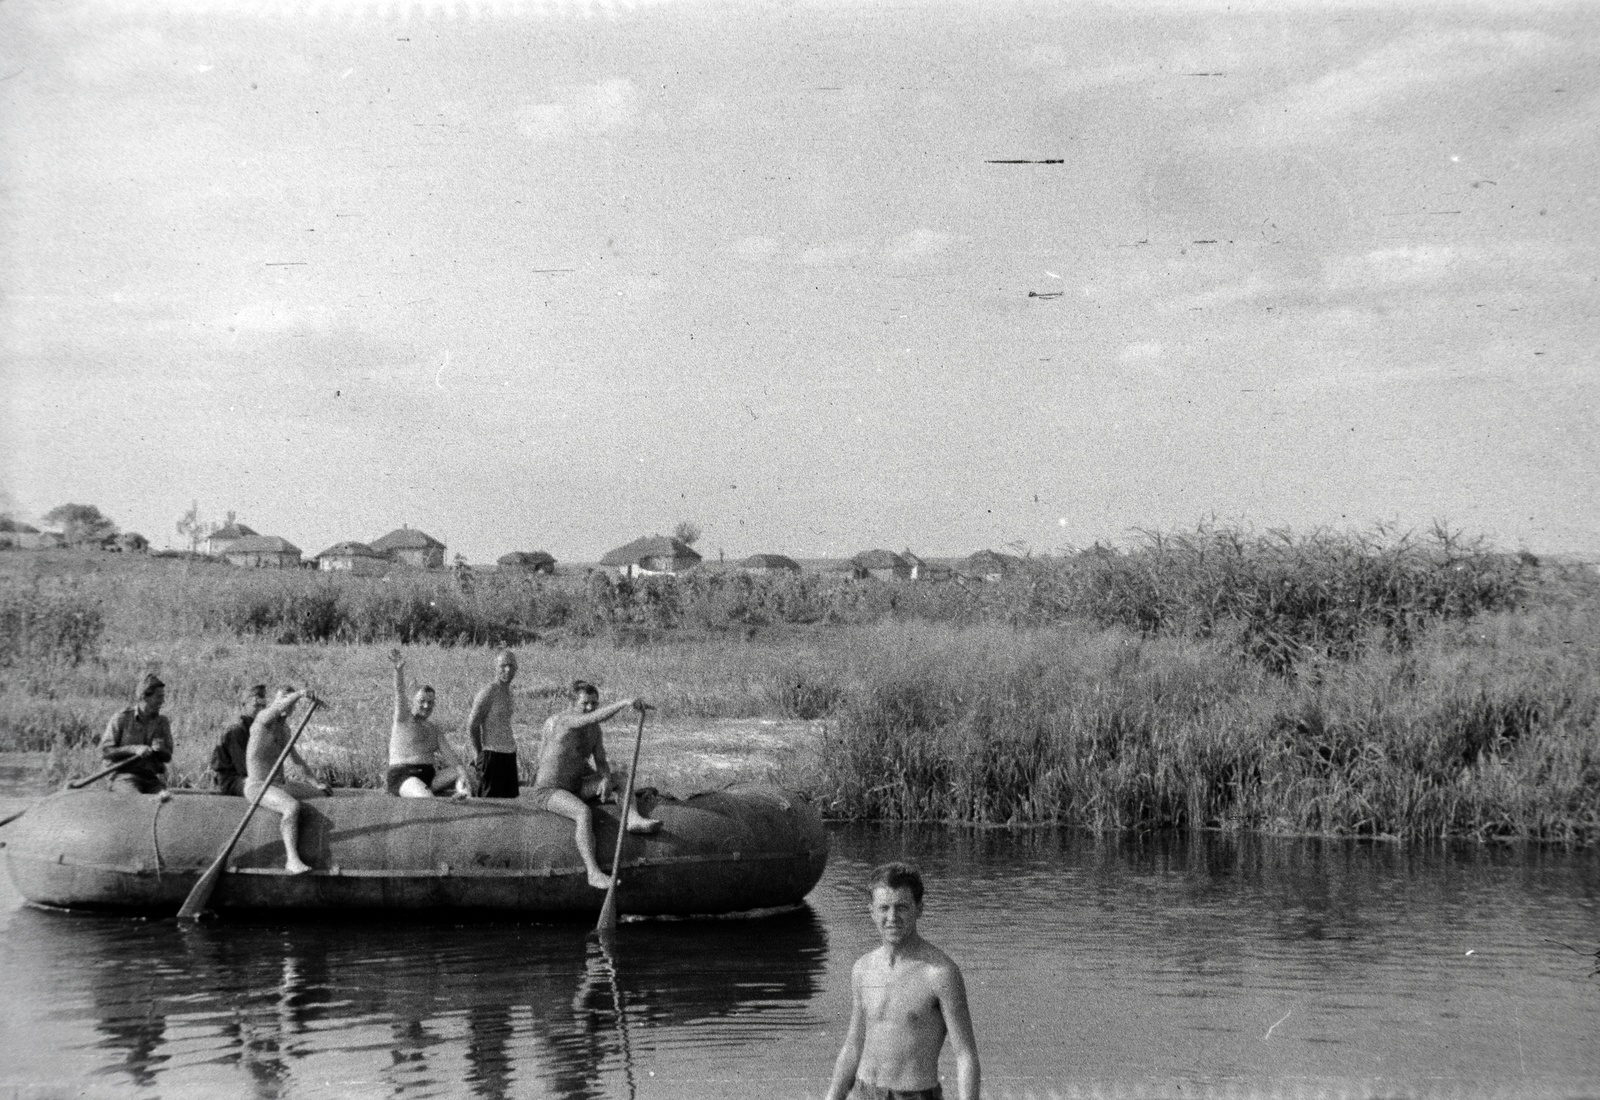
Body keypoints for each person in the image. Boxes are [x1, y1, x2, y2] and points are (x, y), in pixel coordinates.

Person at [825, 863, 980, 1100]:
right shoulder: (863, 969)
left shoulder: (940, 973)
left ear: (919, 909)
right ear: (871, 911)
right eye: (884, 908)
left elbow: (965, 1055)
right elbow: (853, 1047)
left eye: (902, 907)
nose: (892, 917)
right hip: (864, 1093)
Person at [530, 680, 661, 890]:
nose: (590, 708)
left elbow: (601, 760)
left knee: (621, 777)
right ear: (573, 704)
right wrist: (625, 703)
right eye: (585, 703)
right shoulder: (566, 720)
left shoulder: (594, 730)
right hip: (550, 790)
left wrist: (607, 778)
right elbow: (593, 717)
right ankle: (593, 872)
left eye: (594, 703)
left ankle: (633, 818)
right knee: (583, 813)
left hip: (576, 786)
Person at [246, 686, 331, 874]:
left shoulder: (284, 729)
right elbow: (278, 708)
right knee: (291, 808)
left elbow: (296, 760)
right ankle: (292, 860)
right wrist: (299, 694)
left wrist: (315, 783)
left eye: (287, 700)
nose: (285, 703)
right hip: (259, 785)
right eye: (281, 699)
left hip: (280, 784)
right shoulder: (263, 720)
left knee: (321, 793)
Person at [386, 648, 471, 799]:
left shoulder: (434, 730)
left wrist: (463, 774)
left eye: (430, 702)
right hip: (403, 777)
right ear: (413, 701)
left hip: (430, 778)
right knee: (425, 796)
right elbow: (399, 692)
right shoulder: (403, 719)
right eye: (422, 701)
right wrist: (398, 671)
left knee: (462, 771)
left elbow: (451, 757)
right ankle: (430, 796)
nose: (426, 706)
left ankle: (462, 796)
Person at [99, 672, 175, 794]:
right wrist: (134, 749)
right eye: (159, 697)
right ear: (145, 696)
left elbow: (168, 757)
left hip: (150, 779)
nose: (163, 701)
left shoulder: (162, 722)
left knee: (166, 804)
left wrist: (161, 750)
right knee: (136, 803)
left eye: (163, 696)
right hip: (123, 776)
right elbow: (105, 751)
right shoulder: (121, 718)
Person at [467, 650, 520, 798]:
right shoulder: (489, 692)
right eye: (503, 665)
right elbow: (472, 724)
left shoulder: (509, 692)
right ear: (495, 667)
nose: (507, 670)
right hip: (492, 755)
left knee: (510, 805)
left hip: (509, 755)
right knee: (491, 805)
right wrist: (478, 754)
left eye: (511, 665)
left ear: (516, 668)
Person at [209, 684, 267, 796]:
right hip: (231, 780)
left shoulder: (258, 728)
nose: (260, 710)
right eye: (256, 706)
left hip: (248, 776)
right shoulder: (236, 730)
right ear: (244, 706)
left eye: (263, 706)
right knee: (263, 787)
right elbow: (243, 768)